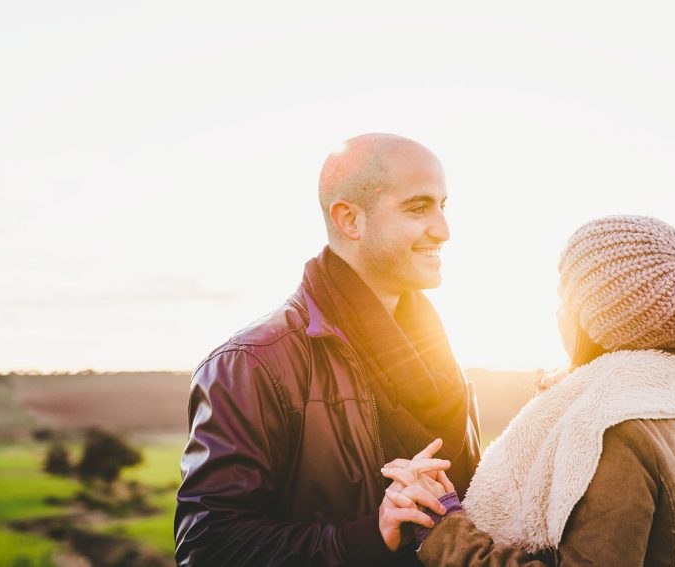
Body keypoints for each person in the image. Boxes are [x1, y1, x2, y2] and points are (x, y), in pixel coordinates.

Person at [174, 133, 481, 566]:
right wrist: (371, 534)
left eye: (443, 206)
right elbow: (209, 549)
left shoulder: (443, 360)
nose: (444, 230)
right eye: (418, 208)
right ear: (349, 220)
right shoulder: (251, 363)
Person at [384, 215, 675, 566]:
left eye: (565, 300)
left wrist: (444, 529)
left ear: (599, 319)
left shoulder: (612, 430)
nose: (557, 313)